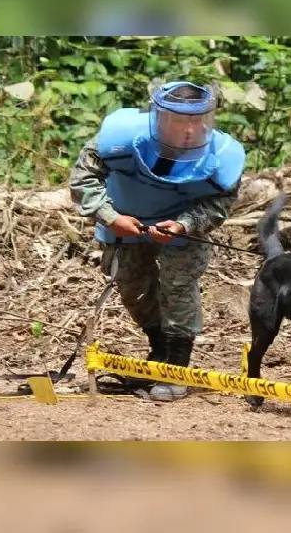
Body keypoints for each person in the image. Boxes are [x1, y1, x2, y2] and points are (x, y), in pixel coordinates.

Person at [69, 79, 246, 401]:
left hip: (182, 228)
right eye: (180, 121)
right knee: (132, 289)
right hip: (123, 222)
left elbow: (219, 203)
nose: (190, 131)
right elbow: (83, 179)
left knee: (178, 289)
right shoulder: (118, 138)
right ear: (160, 117)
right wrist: (110, 217)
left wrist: (184, 225)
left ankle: (177, 368)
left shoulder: (223, 154)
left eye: (197, 121)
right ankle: (159, 350)